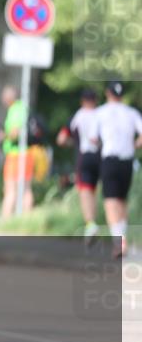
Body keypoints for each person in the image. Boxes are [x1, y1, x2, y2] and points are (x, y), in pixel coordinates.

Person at [92, 80, 142, 258]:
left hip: (110, 159)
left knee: (110, 201)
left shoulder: (100, 113)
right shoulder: (131, 113)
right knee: (122, 200)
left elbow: (92, 138)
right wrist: (134, 144)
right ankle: (123, 239)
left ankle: (118, 241)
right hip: (127, 161)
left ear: (107, 93)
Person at [56, 88, 101, 242]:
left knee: (86, 191)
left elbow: (61, 139)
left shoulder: (77, 116)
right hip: (103, 157)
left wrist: (73, 143)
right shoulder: (101, 115)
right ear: (96, 100)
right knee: (110, 194)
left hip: (84, 157)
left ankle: (91, 224)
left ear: (82, 100)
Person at [0, 84, 33, 218]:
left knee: (10, 189)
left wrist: (3, 136)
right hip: (24, 153)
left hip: (16, 154)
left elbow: (15, 132)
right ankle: (27, 220)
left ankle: (6, 219)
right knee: (25, 189)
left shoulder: (16, 109)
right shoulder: (22, 108)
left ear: (9, 97)